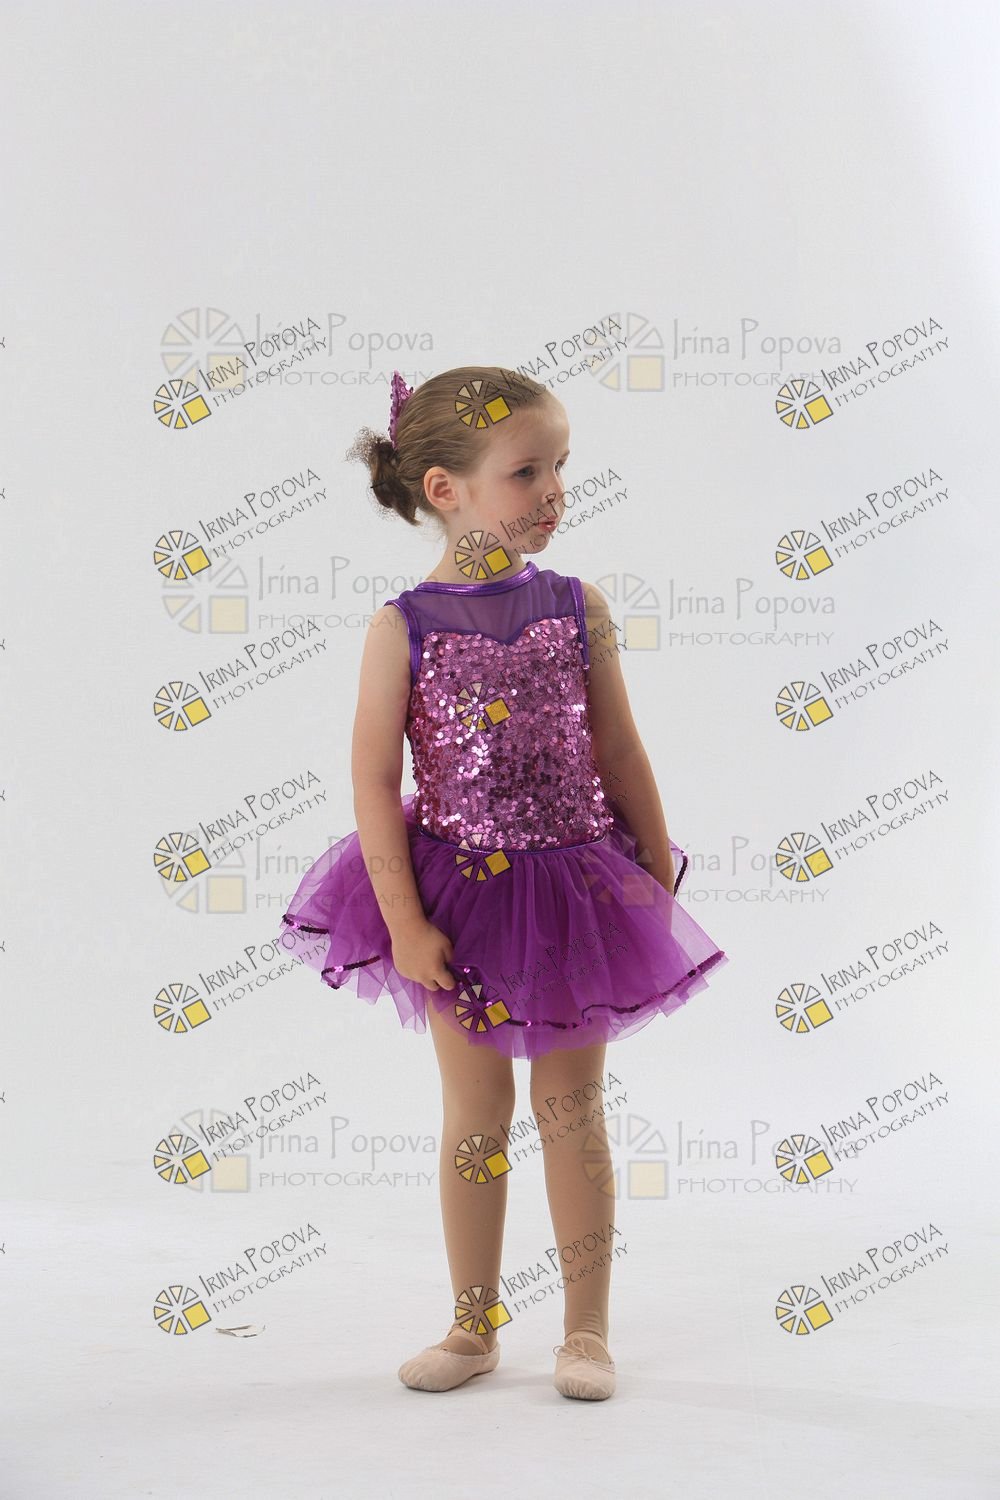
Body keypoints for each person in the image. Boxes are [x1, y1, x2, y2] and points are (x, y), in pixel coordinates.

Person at [277, 365, 728, 1400]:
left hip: (576, 893)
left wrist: (654, 866)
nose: (554, 490)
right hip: (461, 899)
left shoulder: (577, 605)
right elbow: (372, 781)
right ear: (446, 489)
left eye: (561, 466)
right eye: (528, 471)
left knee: (573, 1110)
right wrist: (403, 921)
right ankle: (473, 1325)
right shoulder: (402, 627)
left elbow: (619, 749)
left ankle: (586, 1333)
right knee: (476, 1115)